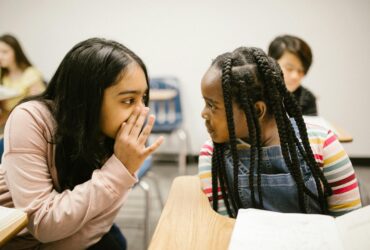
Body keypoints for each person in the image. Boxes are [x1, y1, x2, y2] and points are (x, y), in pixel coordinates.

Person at [0, 38, 163, 249]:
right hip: (18, 237)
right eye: (129, 100)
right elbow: (42, 224)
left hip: (77, 227)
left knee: (113, 243)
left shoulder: (117, 138)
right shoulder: (30, 118)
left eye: (144, 98)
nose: (142, 111)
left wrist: (122, 166)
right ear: (88, 98)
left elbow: (98, 226)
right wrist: (120, 168)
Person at [198, 47, 361, 219]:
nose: (203, 113)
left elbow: (348, 224)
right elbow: (224, 224)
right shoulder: (212, 154)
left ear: (257, 110)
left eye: (212, 105)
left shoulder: (324, 145)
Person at [268, 34, 317, 116]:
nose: (295, 76)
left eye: (301, 70)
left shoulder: (307, 99)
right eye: (289, 68)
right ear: (270, 63)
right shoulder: (255, 91)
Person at [0, 34, 45, 120]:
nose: (0, 57)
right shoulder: (3, 76)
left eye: (4, 52)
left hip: (26, 120)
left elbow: (37, 106)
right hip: (7, 121)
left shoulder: (31, 73)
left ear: (16, 52)